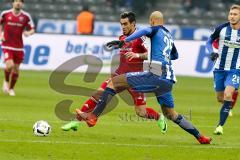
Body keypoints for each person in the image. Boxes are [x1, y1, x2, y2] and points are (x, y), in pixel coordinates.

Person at [78, 11, 212, 144]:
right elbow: (175, 56)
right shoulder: (169, 36)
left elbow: (144, 31)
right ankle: (200, 136)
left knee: (113, 82)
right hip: (169, 79)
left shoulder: (153, 29)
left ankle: (93, 116)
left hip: (156, 73)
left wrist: (125, 41)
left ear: (152, 21)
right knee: (171, 114)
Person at [62, 11, 167, 133]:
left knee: (141, 112)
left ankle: (159, 117)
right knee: (97, 94)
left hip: (135, 79)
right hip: (119, 76)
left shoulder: (141, 38)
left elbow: (152, 54)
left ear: (133, 24)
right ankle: (76, 122)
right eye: (121, 24)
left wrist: (137, 55)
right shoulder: (122, 38)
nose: (123, 26)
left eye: (126, 24)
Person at [206, 4, 240, 135]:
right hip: (219, 69)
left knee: (228, 95)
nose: (232, 16)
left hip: (235, 69)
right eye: (231, 14)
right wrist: (211, 52)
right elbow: (208, 41)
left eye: (235, 14)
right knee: (220, 98)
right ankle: (227, 103)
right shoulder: (221, 28)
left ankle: (220, 126)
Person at [0, 0, 35, 96]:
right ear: (13, 3)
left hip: (19, 47)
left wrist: (28, 33)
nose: (18, 3)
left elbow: (32, 29)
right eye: (16, 1)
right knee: (9, 65)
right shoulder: (5, 14)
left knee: (16, 69)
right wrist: (1, 35)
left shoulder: (25, 16)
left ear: (22, 4)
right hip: (7, 44)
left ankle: (11, 88)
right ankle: (6, 81)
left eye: (20, 1)